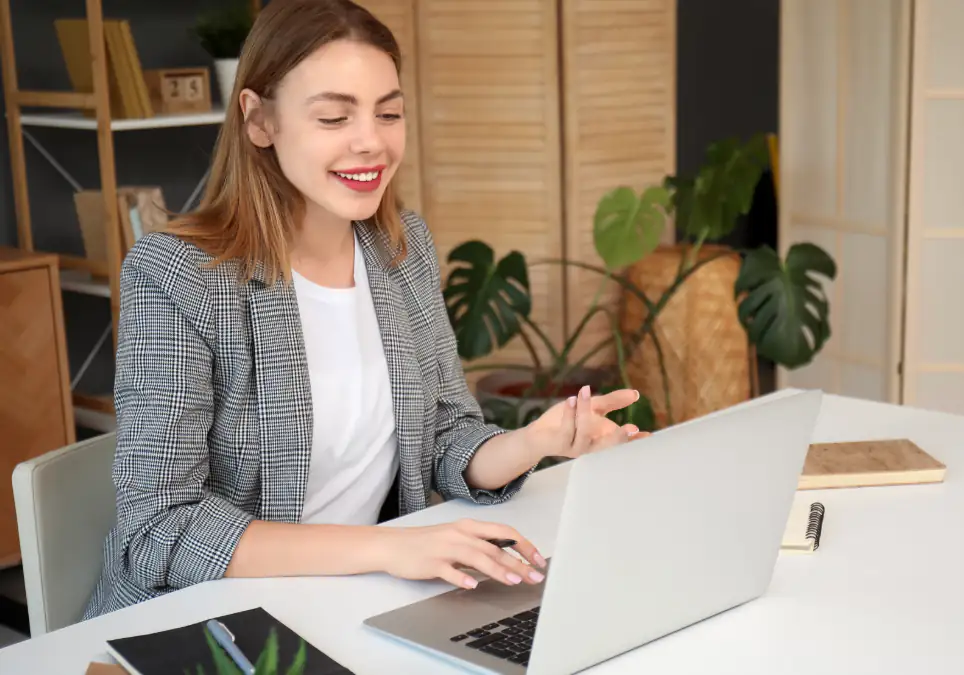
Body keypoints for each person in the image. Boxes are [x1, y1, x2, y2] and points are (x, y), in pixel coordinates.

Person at [82, 0, 645, 620]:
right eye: (333, 116)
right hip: (210, 617)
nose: (370, 142)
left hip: (358, 598)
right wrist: (389, 548)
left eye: (389, 113)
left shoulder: (400, 248)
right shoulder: (179, 276)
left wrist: (535, 441)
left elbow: (445, 436)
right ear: (259, 119)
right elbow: (161, 525)